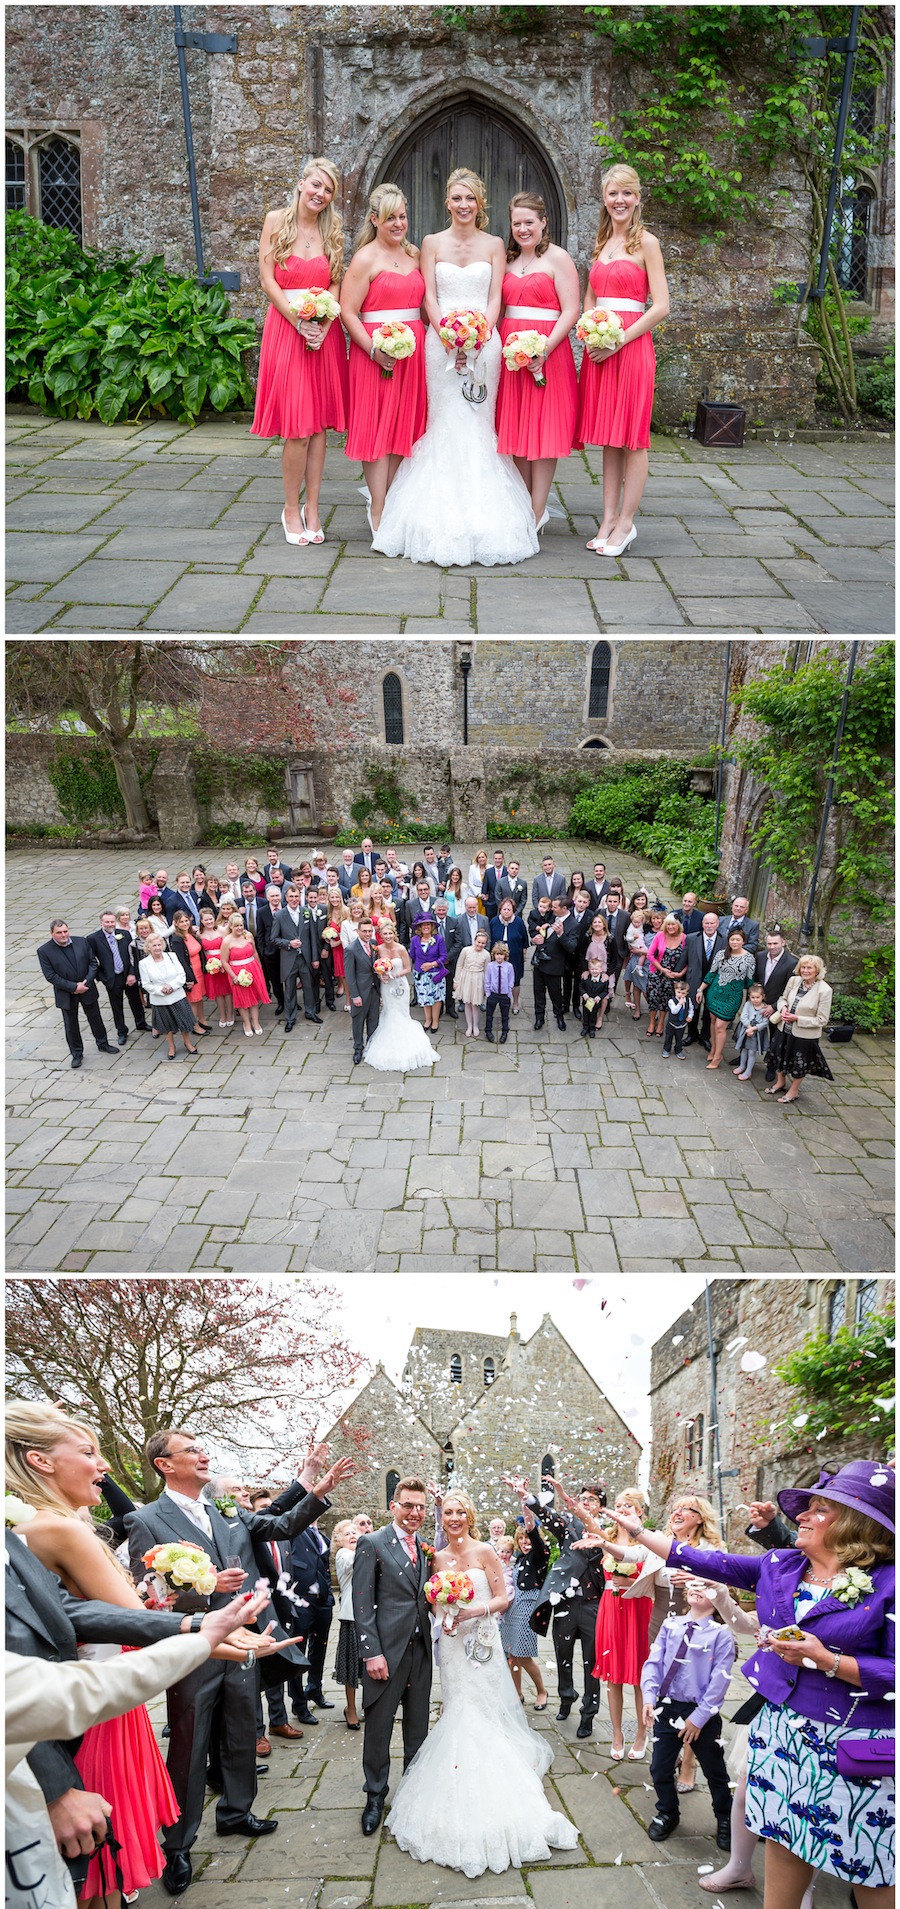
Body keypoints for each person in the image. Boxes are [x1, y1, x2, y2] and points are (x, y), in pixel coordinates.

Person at [4, 1401, 287, 1909]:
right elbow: (120, 1616)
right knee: (102, 1870)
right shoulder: (63, 1529)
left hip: (88, 1696)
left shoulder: (28, 1529)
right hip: (94, 1706)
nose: (105, 1465)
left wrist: (205, 1631)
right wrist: (212, 1634)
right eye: (89, 1452)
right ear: (41, 1462)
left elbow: (86, 1612)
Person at [611, 1462, 895, 1905]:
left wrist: (828, 1660)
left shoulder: (888, 1585)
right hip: (782, 1734)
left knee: (865, 1866)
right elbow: (707, 1559)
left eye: (819, 1509)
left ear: (856, 1524)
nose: (800, 1515)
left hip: (854, 1747)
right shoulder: (781, 1565)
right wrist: (640, 1532)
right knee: (782, 1841)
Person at [126, 1432, 351, 1895]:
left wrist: (318, 1491)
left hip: (248, 1640)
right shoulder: (146, 1519)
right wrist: (205, 1589)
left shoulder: (224, 1511)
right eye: (191, 1450)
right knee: (189, 1744)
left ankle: (235, 1811)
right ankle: (179, 1844)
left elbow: (283, 1525)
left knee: (241, 1728)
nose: (203, 1454)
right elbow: (147, 1591)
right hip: (195, 1648)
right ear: (164, 1465)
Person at [5, 1583, 272, 1909]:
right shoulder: (54, 1534)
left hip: (114, 1699)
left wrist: (201, 1633)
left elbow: (88, 1615)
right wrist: (57, 1788)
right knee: (90, 1865)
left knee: (115, 1840)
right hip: (74, 1721)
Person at [383, 1487, 579, 1876]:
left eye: (460, 1511)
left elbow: (504, 1597)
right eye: (448, 1512)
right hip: (453, 1645)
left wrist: (472, 1610)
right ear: (442, 1517)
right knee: (458, 1707)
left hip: (483, 1641)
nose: (453, 1517)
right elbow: (434, 1600)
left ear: (469, 1516)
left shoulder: (485, 1552)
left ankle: (495, 1784)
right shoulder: (436, 1557)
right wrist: (445, 1614)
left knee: (482, 1712)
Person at [372, 168, 540, 568]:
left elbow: (496, 298)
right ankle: (430, 518)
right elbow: (428, 297)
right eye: (456, 198)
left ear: (480, 203)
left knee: (479, 422)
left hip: (485, 345)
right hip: (439, 344)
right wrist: (447, 335)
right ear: (446, 202)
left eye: (470, 198)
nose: (463, 205)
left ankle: (488, 518)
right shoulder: (430, 243)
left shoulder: (496, 244)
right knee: (444, 420)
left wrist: (480, 337)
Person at [252, 157, 348, 543]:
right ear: (300, 184)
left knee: (320, 425)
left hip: (322, 336)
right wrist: (298, 320)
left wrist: (324, 326)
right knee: (298, 428)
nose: (320, 194)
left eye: (328, 190)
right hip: (287, 328)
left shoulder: (334, 229)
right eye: (316, 185)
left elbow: (337, 282)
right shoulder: (276, 221)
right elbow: (266, 279)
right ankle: (290, 508)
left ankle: (313, 506)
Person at [577, 164, 670, 557]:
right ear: (604, 198)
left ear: (637, 199)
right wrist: (589, 329)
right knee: (609, 440)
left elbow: (662, 306)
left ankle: (627, 523)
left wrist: (618, 340)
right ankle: (608, 518)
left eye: (627, 194)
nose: (620, 201)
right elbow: (591, 297)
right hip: (600, 349)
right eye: (613, 193)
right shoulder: (601, 243)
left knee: (632, 438)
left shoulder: (646, 243)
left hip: (630, 348)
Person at [341, 183, 427, 533]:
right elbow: (348, 311)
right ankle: (378, 507)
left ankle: (393, 499)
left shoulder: (415, 254)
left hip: (413, 354)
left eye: (402, 217)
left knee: (402, 427)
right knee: (376, 428)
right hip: (374, 353)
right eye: (390, 218)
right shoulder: (365, 259)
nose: (397, 224)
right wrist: (375, 351)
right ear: (374, 220)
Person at [497, 191, 580, 527]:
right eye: (517, 223)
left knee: (544, 430)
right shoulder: (505, 262)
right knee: (515, 427)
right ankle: (521, 504)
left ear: (544, 222)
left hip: (549, 352)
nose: (523, 229)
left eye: (529, 222)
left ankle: (537, 509)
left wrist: (543, 349)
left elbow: (571, 310)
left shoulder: (558, 259)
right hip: (511, 353)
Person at [641, 1576, 735, 1847]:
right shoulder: (671, 1625)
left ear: (719, 1598)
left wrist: (699, 1717)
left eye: (706, 1586)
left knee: (715, 1770)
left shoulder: (721, 1634)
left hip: (700, 1712)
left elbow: (720, 1681)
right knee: (659, 1767)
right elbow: (654, 1662)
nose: (696, 1588)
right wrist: (649, 1697)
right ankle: (667, 1811)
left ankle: (725, 1817)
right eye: (694, 1584)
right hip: (667, 1706)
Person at [586, 1487, 668, 1760]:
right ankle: (617, 1733)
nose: (621, 1510)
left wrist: (631, 1582)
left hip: (639, 1607)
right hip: (611, 1607)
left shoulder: (649, 1540)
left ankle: (641, 1734)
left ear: (640, 1510)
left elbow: (656, 1582)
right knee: (612, 1675)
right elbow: (585, 1518)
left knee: (639, 1675)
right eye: (618, 1506)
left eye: (627, 1506)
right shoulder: (606, 1536)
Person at [528, 1479, 608, 1738]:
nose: (585, 1503)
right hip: (565, 1602)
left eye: (592, 1500)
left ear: (601, 1508)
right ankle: (566, 1696)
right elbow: (547, 1516)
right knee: (563, 1655)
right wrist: (528, 1498)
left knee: (591, 1662)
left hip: (593, 1604)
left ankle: (588, 1713)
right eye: (582, 1498)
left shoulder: (608, 1533)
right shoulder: (567, 1527)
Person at [37, 920, 118, 1071]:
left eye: (65, 931)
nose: (63, 935)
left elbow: (93, 963)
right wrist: (73, 987)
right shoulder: (44, 951)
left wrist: (86, 983)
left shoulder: (81, 941)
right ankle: (76, 1053)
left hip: (87, 988)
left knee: (95, 1018)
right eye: (59, 933)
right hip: (67, 993)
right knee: (71, 1024)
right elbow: (50, 976)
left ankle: (103, 1043)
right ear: (51, 934)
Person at [497, 1490, 550, 1708]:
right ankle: (517, 1693)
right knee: (511, 1655)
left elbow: (535, 1538)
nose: (525, 1541)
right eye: (521, 1538)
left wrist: (526, 1507)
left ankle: (542, 1691)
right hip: (512, 1609)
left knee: (524, 1655)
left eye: (528, 1537)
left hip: (528, 1609)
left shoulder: (540, 1556)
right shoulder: (519, 1558)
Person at [362, 923, 437, 1071]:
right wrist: (381, 975)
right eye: (385, 934)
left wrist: (395, 974)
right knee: (389, 1011)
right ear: (381, 935)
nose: (388, 937)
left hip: (400, 984)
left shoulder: (401, 949)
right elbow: (377, 967)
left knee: (401, 1012)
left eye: (390, 934)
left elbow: (408, 968)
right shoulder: (379, 949)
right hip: (386, 985)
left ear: (394, 934)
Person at [767, 954, 835, 1105]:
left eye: (809, 968)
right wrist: (783, 1007)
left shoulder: (824, 990)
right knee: (779, 1055)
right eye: (803, 967)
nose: (805, 970)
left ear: (817, 970)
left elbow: (822, 1020)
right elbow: (782, 998)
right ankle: (780, 1083)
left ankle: (793, 1091)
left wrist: (797, 1019)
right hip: (784, 1028)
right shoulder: (794, 980)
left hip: (804, 1035)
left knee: (799, 1062)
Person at [696, 927, 756, 1070]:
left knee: (720, 1026)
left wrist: (752, 1001)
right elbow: (711, 974)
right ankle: (713, 1050)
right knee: (713, 1022)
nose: (735, 942)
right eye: (732, 939)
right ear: (728, 940)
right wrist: (700, 989)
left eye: (738, 940)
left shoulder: (749, 958)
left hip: (732, 997)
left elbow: (749, 981)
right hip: (714, 994)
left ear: (743, 941)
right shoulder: (721, 954)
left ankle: (718, 1057)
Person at [86, 909, 148, 1041]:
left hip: (128, 975)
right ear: (101, 922)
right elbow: (91, 960)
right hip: (112, 977)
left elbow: (133, 955)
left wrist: (132, 973)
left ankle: (141, 1023)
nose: (110, 924)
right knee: (116, 1005)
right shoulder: (93, 939)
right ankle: (121, 1031)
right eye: (107, 922)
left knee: (136, 1001)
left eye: (112, 921)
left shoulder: (124, 934)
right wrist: (102, 977)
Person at [139, 933, 199, 1060]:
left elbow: (181, 975)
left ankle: (187, 1042)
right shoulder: (144, 963)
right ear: (149, 947)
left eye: (159, 944)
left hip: (177, 995)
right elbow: (146, 984)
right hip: (161, 999)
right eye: (154, 945)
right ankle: (171, 1047)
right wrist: (161, 990)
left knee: (184, 1021)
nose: (157, 948)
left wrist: (171, 986)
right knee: (167, 1025)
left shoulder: (171, 957)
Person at [272, 883, 322, 1029]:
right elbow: (274, 939)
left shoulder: (306, 912)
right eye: (291, 897)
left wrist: (315, 958)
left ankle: (310, 1012)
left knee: (309, 987)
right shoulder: (279, 915)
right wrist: (288, 943)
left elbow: (313, 937)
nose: (294, 899)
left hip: (305, 958)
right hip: (289, 958)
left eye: (296, 896)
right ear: (286, 898)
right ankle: (290, 1017)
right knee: (290, 990)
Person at [751, 923, 797, 1080]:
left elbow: (790, 991)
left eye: (775, 943)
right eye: (769, 943)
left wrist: (774, 1006)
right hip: (757, 1003)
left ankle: (771, 1066)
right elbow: (756, 979)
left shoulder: (791, 963)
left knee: (774, 1038)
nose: (772, 947)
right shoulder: (760, 956)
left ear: (783, 942)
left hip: (775, 1007)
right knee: (750, 1029)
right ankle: (746, 1057)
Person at [331, 1521, 362, 1731]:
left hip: (369, 1616)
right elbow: (352, 1564)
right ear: (339, 1541)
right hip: (351, 1618)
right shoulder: (344, 1555)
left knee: (367, 1666)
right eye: (347, 1533)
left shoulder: (362, 1552)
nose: (352, 1535)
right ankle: (350, 1708)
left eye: (355, 1532)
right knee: (352, 1667)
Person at [219, 913, 269, 1038]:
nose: (240, 928)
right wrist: (234, 977)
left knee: (253, 998)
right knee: (242, 999)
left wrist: (259, 968)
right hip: (236, 972)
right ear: (230, 926)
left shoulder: (248, 935)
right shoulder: (226, 941)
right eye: (236, 926)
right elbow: (224, 961)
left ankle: (255, 1022)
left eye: (241, 925)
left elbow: (255, 952)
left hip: (252, 968)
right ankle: (246, 1023)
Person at [685, 911, 725, 1050]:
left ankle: (705, 1037)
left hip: (714, 982)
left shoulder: (725, 940)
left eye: (712, 923)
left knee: (710, 1010)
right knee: (693, 1007)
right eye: (706, 923)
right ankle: (691, 1034)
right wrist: (678, 977)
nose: (709, 926)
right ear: (702, 924)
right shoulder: (691, 938)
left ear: (717, 924)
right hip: (694, 979)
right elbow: (685, 958)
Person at [344, 917, 382, 1064]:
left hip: (374, 990)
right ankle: (358, 1048)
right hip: (360, 991)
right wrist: (355, 995)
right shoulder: (351, 949)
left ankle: (371, 1047)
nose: (367, 934)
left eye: (370, 931)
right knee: (358, 1021)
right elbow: (350, 975)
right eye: (364, 931)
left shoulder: (373, 944)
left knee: (374, 1020)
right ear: (357, 931)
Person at [645, 913, 688, 1039]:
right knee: (653, 998)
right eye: (668, 924)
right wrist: (662, 969)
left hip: (673, 977)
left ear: (678, 925)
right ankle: (652, 1022)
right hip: (657, 973)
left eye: (673, 924)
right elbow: (650, 955)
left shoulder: (685, 938)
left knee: (665, 1001)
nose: (670, 927)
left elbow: (689, 959)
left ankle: (661, 1023)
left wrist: (681, 973)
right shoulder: (660, 935)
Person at [171, 911, 211, 1036]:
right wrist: (189, 978)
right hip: (191, 974)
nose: (185, 923)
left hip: (200, 971)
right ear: (176, 923)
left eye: (186, 921)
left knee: (200, 999)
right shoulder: (177, 940)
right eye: (181, 921)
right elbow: (181, 960)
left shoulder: (192, 934)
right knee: (193, 1000)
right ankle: (193, 1025)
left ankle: (202, 1019)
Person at [488, 897, 529, 1015]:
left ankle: (515, 1002)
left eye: (509, 909)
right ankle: (496, 1000)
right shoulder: (494, 921)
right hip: (497, 957)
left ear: (513, 910)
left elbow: (525, 940)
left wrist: (524, 955)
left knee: (515, 980)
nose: (506, 911)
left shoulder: (519, 922)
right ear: (500, 910)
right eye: (504, 909)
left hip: (515, 955)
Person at [409, 917, 447, 1033]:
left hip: (436, 973)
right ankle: (428, 1019)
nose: (426, 927)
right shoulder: (415, 940)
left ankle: (435, 1021)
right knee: (424, 997)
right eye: (423, 925)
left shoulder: (438, 939)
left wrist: (432, 964)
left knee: (436, 998)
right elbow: (413, 956)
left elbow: (444, 957)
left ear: (432, 927)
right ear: (419, 927)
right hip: (421, 974)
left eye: (428, 925)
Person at [198, 906, 233, 1030]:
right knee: (218, 991)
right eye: (206, 920)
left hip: (223, 960)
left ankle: (230, 1014)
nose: (208, 922)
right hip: (210, 964)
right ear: (201, 921)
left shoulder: (221, 930)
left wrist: (224, 964)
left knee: (227, 991)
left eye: (210, 919)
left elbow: (227, 947)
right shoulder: (199, 934)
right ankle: (222, 1015)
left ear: (214, 918)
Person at [453, 927, 490, 1037]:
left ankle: (475, 1025)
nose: (480, 945)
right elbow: (459, 965)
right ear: (474, 941)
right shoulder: (466, 950)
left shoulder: (486, 954)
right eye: (478, 942)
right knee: (467, 1003)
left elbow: (486, 970)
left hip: (478, 978)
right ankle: (469, 1025)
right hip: (466, 977)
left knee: (476, 1004)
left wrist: (485, 986)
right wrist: (457, 981)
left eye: (483, 943)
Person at [733, 980, 769, 1081]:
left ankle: (748, 1071)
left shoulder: (765, 1008)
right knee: (744, 1049)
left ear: (763, 996)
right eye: (753, 997)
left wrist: (754, 1028)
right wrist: (749, 1027)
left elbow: (765, 1022)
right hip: (746, 1030)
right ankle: (742, 1066)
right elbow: (743, 1017)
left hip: (756, 1033)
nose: (755, 1000)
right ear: (749, 997)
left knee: (752, 1052)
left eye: (758, 997)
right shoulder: (748, 1005)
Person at [483, 940, 515, 1044]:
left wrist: (509, 993)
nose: (499, 957)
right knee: (489, 1014)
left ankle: (505, 1032)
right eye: (497, 954)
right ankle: (488, 1031)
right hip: (493, 994)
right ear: (494, 955)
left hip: (505, 995)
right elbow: (487, 979)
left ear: (505, 955)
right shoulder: (490, 966)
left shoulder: (509, 966)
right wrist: (488, 993)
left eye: (501, 955)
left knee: (505, 1015)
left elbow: (511, 980)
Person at [622, 906, 648, 1019]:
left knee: (645, 987)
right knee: (637, 984)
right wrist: (633, 938)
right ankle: (637, 1008)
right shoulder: (631, 928)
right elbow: (628, 938)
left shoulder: (643, 925)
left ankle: (652, 1008)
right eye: (635, 922)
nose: (637, 924)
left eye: (639, 922)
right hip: (635, 945)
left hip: (642, 948)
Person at [580, 950, 610, 1039]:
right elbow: (580, 987)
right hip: (586, 1001)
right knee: (585, 1014)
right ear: (589, 969)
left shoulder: (603, 981)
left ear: (601, 970)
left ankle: (592, 1028)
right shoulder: (586, 978)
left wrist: (599, 997)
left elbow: (605, 991)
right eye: (592, 969)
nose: (594, 971)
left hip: (596, 1003)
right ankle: (585, 1027)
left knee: (593, 1015)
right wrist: (584, 994)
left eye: (596, 969)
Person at [662, 977, 693, 1057]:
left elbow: (691, 1009)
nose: (680, 995)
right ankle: (666, 1049)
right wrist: (679, 1004)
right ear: (675, 990)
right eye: (678, 992)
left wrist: (690, 1016)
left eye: (683, 993)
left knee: (679, 1038)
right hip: (672, 1023)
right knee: (669, 1037)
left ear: (687, 993)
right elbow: (674, 1011)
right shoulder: (671, 1001)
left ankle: (678, 1050)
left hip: (682, 1024)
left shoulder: (688, 1000)